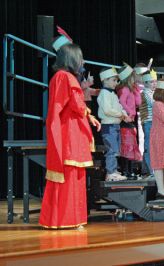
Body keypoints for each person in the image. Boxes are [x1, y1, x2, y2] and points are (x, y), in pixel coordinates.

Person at [39, 43, 101, 229]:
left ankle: (64, 219)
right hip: (70, 134)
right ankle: (67, 219)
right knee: (71, 176)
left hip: (71, 131)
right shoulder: (65, 77)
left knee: (71, 175)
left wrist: (88, 115)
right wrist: (88, 114)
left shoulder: (61, 77)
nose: (81, 61)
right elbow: (75, 103)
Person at [97, 67, 130, 181]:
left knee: (115, 149)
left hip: (115, 125)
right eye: (113, 80)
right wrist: (121, 114)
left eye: (116, 80)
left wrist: (125, 115)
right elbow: (107, 110)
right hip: (108, 126)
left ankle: (114, 171)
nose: (116, 83)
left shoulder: (113, 94)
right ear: (105, 80)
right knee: (111, 149)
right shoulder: (104, 93)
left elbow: (119, 107)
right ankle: (110, 172)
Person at [117, 63, 142, 179]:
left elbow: (138, 103)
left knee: (132, 146)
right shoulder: (124, 89)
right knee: (126, 146)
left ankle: (130, 170)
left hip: (131, 121)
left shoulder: (131, 89)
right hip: (125, 120)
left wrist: (136, 90)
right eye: (133, 76)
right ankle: (125, 170)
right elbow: (121, 102)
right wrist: (129, 112)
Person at [139, 70, 157, 177]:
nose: (154, 84)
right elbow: (153, 104)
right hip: (148, 122)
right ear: (145, 83)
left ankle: (153, 169)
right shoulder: (145, 93)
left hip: (154, 122)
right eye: (151, 82)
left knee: (153, 146)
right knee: (149, 146)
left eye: (155, 81)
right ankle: (151, 170)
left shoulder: (153, 93)